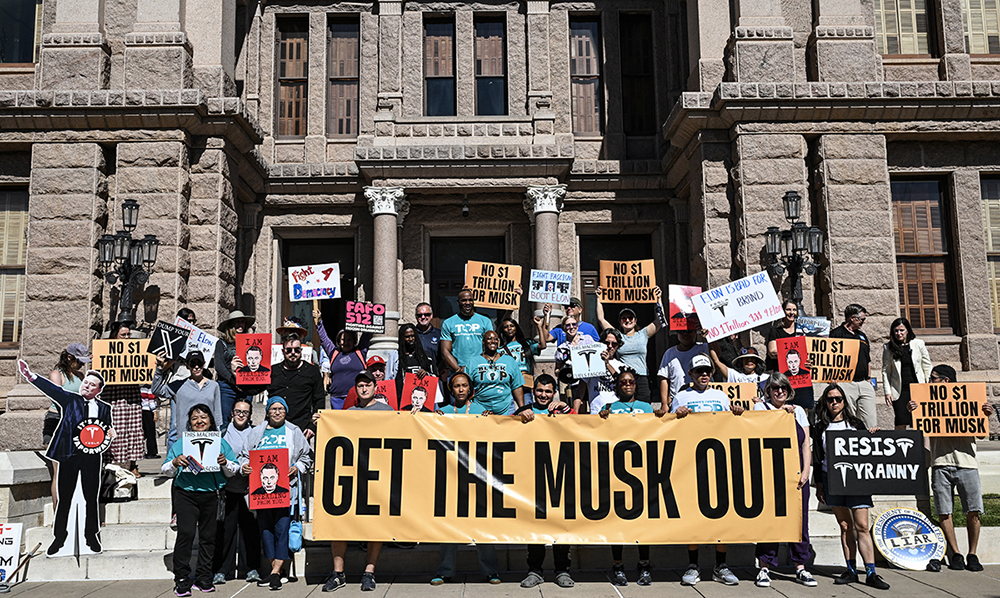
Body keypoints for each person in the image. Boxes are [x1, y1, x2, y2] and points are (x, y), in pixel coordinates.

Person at [19, 360, 111, 556]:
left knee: (90, 497)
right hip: (69, 455)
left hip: (92, 458)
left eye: (91, 384)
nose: (86, 385)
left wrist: (110, 434)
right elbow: (52, 390)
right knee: (65, 497)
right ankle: (59, 537)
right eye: (85, 382)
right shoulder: (70, 400)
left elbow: (105, 431)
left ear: (98, 390)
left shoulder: (104, 409)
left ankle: (91, 536)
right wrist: (31, 376)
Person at [908, 365, 995, 572]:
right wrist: (915, 410)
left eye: (933, 378)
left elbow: (981, 435)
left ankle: (972, 554)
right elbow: (921, 428)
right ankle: (955, 553)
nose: (929, 382)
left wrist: (986, 416)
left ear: (945, 381)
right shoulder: (928, 401)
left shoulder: (969, 400)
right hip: (940, 463)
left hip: (967, 463)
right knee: (944, 511)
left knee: (973, 511)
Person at [668, 354, 743, 586]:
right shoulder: (681, 396)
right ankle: (693, 566)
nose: (704, 374)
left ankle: (721, 565)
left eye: (707, 371)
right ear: (690, 374)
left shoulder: (720, 395)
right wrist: (676, 416)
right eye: (699, 371)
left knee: (722, 515)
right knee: (693, 516)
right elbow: (670, 429)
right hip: (690, 463)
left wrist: (736, 413)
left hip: (718, 462)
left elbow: (729, 425)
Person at [812, 384, 890, 590]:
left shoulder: (856, 424)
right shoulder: (820, 427)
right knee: (845, 526)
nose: (834, 402)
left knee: (862, 526)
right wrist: (819, 484)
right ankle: (851, 570)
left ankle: (871, 572)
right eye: (830, 399)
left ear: (844, 401)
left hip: (857, 480)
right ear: (825, 403)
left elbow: (869, 451)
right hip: (832, 479)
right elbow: (818, 459)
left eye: (838, 398)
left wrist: (873, 435)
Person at [429, 373, 502, 586]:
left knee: (482, 523)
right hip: (451, 476)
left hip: (477, 476)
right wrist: (435, 420)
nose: (460, 389)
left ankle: (491, 571)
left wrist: (491, 422)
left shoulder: (481, 411)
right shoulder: (443, 413)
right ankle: (444, 571)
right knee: (449, 524)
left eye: (464, 386)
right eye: (456, 386)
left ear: (470, 388)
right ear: (451, 389)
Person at [321, 372, 390, 593]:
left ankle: (369, 572)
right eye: (359, 385)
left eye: (367, 384)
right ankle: (338, 573)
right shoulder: (349, 412)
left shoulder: (387, 412)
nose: (363, 388)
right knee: (339, 523)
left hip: (377, 477)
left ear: (375, 386)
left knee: (374, 526)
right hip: (350, 476)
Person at [164, 404, 238, 596]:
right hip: (186, 494)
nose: (199, 421)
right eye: (195, 418)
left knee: (208, 537)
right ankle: (181, 577)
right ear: (189, 422)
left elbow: (233, 471)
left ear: (211, 421)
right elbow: (165, 469)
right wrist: (174, 462)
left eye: (204, 417)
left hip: (212, 495)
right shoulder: (181, 443)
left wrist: (225, 463)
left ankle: (204, 576)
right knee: (186, 535)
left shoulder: (220, 443)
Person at [240, 396, 313, 591]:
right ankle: (276, 571)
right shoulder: (256, 432)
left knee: (282, 530)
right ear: (267, 412)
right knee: (265, 530)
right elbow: (243, 455)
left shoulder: (293, 431)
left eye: (281, 408)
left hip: (286, 490)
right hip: (261, 491)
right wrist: (244, 466)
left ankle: (274, 572)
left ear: (286, 411)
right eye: (273, 409)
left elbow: (306, 456)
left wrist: (297, 467)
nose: (277, 412)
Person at [752, 374, 817, 588]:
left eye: (784, 388)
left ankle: (800, 566)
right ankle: (764, 567)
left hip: (796, 474)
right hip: (770, 475)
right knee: (770, 520)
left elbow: (805, 443)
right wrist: (780, 414)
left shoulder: (798, 411)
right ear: (768, 390)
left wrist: (806, 471)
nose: (780, 392)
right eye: (775, 388)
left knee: (800, 520)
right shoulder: (761, 409)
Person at [516, 374, 575, 588]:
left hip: (561, 476)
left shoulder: (562, 411)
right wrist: (520, 416)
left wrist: (569, 412)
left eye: (548, 391)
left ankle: (562, 571)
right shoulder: (524, 411)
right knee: (535, 527)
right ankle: (535, 570)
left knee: (561, 524)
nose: (543, 395)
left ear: (554, 393)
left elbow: (582, 430)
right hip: (532, 479)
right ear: (534, 392)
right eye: (540, 390)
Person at [598, 369, 653, 585]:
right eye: (623, 382)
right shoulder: (609, 408)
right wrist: (601, 419)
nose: (627, 385)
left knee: (643, 522)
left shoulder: (647, 408)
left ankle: (644, 565)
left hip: (641, 472)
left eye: (630, 382)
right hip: (617, 471)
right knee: (617, 521)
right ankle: (618, 565)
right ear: (617, 385)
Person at [213, 400, 262, 585]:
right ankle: (221, 570)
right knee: (225, 532)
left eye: (245, 412)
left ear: (250, 415)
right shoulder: (222, 433)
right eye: (238, 411)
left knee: (250, 532)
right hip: (228, 490)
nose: (241, 415)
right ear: (231, 413)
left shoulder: (256, 433)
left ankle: (251, 568)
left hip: (250, 490)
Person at [595, 286, 664, 403]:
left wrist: (659, 299)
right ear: (620, 322)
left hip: (642, 377)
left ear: (635, 320)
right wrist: (598, 298)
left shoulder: (643, 334)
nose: (627, 320)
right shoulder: (617, 336)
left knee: (643, 408)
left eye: (630, 317)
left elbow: (660, 320)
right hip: (624, 377)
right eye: (624, 318)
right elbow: (601, 319)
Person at [152, 351, 223, 450]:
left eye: (199, 363)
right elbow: (156, 390)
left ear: (204, 364)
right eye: (193, 364)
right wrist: (159, 368)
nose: (196, 367)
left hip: (208, 437)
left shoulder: (213, 386)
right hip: (186, 438)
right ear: (187, 366)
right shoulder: (178, 385)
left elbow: (217, 415)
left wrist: (217, 437)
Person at [104, 322, 146, 477]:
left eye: (129, 334)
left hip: (131, 394)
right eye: (124, 335)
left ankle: (133, 464)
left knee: (134, 428)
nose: (127, 337)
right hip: (113, 395)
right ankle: (111, 464)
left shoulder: (137, 350)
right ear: (115, 336)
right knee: (115, 429)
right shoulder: (106, 351)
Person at [267, 333, 325, 439]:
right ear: (283, 351)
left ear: (301, 351)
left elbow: (319, 401)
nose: (293, 353)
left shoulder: (312, 371)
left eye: (297, 350)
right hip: (275, 426)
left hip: (301, 428)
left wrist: (313, 426)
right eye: (289, 350)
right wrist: (236, 374)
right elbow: (253, 389)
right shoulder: (273, 371)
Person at [829, 304, 877, 429]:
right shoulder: (836, 334)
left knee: (871, 422)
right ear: (852, 318)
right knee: (850, 419)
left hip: (864, 383)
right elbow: (828, 359)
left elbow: (867, 360)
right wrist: (834, 381)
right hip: (846, 383)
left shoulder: (862, 336)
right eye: (861, 319)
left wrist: (869, 379)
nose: (863, 322)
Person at [882, 317, 931, 429]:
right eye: (896, 331)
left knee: (920, 421)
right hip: (899, 390)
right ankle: (900, 445)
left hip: (918, 387)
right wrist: (887, 392)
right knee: (901, 421)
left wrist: (928, 385)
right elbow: (886, 371)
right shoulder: (888, 347)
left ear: (907, 330)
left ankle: (923, 446)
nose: (899, 333)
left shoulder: (918, 344)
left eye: (901, 330)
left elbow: (927, 366)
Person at [315, 309, 368, 409]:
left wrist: (368, 312)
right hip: (336, 399)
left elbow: (367, 333)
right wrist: (319, 321)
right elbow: (324, 338)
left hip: (356, 397)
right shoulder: (334, 353)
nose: (346, 342)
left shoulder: (360, 353)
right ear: (339, 341)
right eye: (343, 339)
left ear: (354, 341)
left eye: (349, 340)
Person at [467, 330, 524, 415]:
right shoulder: (473, 362)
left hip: (506, 409)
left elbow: (517, 386)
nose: (493, 341)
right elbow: (467, 387)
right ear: (483, 342)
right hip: (480, 409)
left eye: (496, 339)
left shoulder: (509, 360)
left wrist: (522, 409)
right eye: (489, 339)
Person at [43, 343, 89, 445]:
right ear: (69, 357)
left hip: (76, 418)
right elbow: (59, 397)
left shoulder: (81, 376)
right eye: (80, 362)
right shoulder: (57, 374)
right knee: (56, 455)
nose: (82, 365)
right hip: (57, 417)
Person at [214, 310, 255, 422]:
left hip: (246, 387)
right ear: (231, 325)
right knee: (224, 420)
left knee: (244, 419)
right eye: (237, 322)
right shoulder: (221, 343)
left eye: (242, 322)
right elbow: (219, 366)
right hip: (227, 386)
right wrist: (234, 380)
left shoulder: (252, 342)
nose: (240, 324)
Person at [440, 289, 495, 374]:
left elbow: (491, 346)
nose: (467, 303)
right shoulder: (448, 322)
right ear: (458, 302)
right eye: (464, 300)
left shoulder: (485, 321)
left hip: (481, 370)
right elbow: (445, 351)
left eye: (470, 300)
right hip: (458, 371)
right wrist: (458, 370)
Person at [657, 328, 708, 409]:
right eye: (681, 331)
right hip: (678, 400)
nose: (685, 334)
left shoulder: (704, 348)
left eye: (689, 331)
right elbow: (664, 378)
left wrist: (709, 336)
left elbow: (717, 355)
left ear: (695, 331)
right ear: (677, 332)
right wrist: (664, 404)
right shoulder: (669, 353)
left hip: (702, 398)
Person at [499, 316, 544, 402]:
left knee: (526, 411)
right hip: (509, 384)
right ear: (502, 331)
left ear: (516, 327)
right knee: (510, 412)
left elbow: (542, 345)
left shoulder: (527, 343)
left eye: (512, 326)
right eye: (505, 327)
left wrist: (539, 327)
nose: (509, 328)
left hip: (525, 383)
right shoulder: (500, 350)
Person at [582, 328, 626, 414]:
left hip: (616, 413)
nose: (610, 346)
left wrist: (607, 364)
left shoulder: (622, 366)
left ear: (618, 346)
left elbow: (621, 382)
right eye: (606, 343)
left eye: (614, 344)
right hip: (596, 413)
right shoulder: (591, 364)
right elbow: (581, 389)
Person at [396, 322, 436, 395]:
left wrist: (426, 373)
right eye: (407, 337)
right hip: (402, 398)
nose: (411, 339)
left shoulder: (427, 357)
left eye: (413, 336)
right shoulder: (396, 358)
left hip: (422, 399)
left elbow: (435, 377)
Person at [765, 300, 799, 372]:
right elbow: (772, 352)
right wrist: (797, 352)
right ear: (783, 311)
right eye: (788, 310)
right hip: (779, 372)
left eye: (794, 310)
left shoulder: (801, 331)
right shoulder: (775, 331)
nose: (792, 313)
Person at [414, 302, 442, 367]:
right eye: (419, 315)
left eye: (426, 314)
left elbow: (444, 357)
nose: (423, 317)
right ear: (416, 316)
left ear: (431, 315)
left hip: (432, 374)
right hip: (414, 374)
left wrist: (438, 371)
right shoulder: (411, 334)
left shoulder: (439, 334)